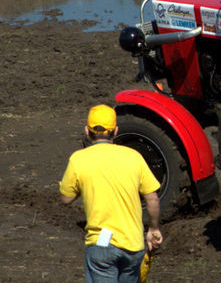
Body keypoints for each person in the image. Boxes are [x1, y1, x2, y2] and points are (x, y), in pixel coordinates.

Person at [60, 104, 163, 283]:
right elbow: (152, 197)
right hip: (133, 245)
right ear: (115, 131)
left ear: (87, 131)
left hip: (101, 245)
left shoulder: (79, 159)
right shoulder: (134, 157)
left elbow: (66, 198)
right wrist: (153, 228)